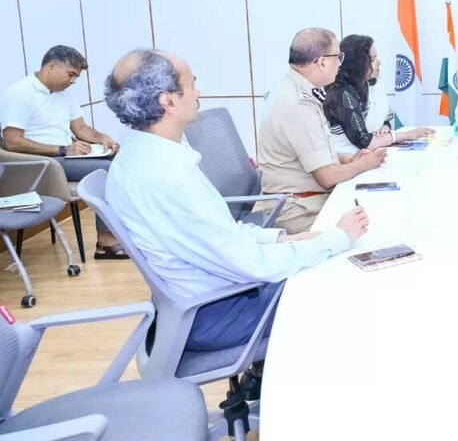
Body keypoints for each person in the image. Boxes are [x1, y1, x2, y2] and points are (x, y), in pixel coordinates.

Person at [105, 49, 368, 352]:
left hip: (200, 301)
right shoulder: (168, 177)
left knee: (326, 259)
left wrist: (282, 238)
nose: (198, 93)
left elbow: (220, 234)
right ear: (169, 101)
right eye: (192, 84)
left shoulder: (135, 157)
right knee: (348, 288)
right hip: (218, 313)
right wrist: (337, 238)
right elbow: (253, 265)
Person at [0, 45, 125, 259]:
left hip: (65, 157)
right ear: (51, 66)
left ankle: (124, 230)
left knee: (122, 160)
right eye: (71, 74)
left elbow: (81, 129)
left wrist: (102, 138)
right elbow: (12, 142)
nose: (73, 81)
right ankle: (105, 241)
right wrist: (62, 149)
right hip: (42, 164)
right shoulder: (20, 94)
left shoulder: (63, 94)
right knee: (106, 170)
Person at [258, 28, 386, 234]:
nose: (341, 63)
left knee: (378, 213)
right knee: (375, 231)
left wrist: (347, 160)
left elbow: (310, 154)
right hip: (300, 213)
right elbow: (326, 177)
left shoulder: (298, 90)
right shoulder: (298, 105)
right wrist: (364, 164)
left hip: (310, 200)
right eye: (338, 56)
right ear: (322, 62)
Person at [322, 34, 433, 154]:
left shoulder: (369, 83)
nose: (379, 62)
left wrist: (384, 127)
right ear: (357, 64)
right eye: (372, 60)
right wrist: (408, 135)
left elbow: (383, 117)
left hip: (369, 154)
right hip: (346, 158)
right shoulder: (341, 92)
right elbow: (364, 142)